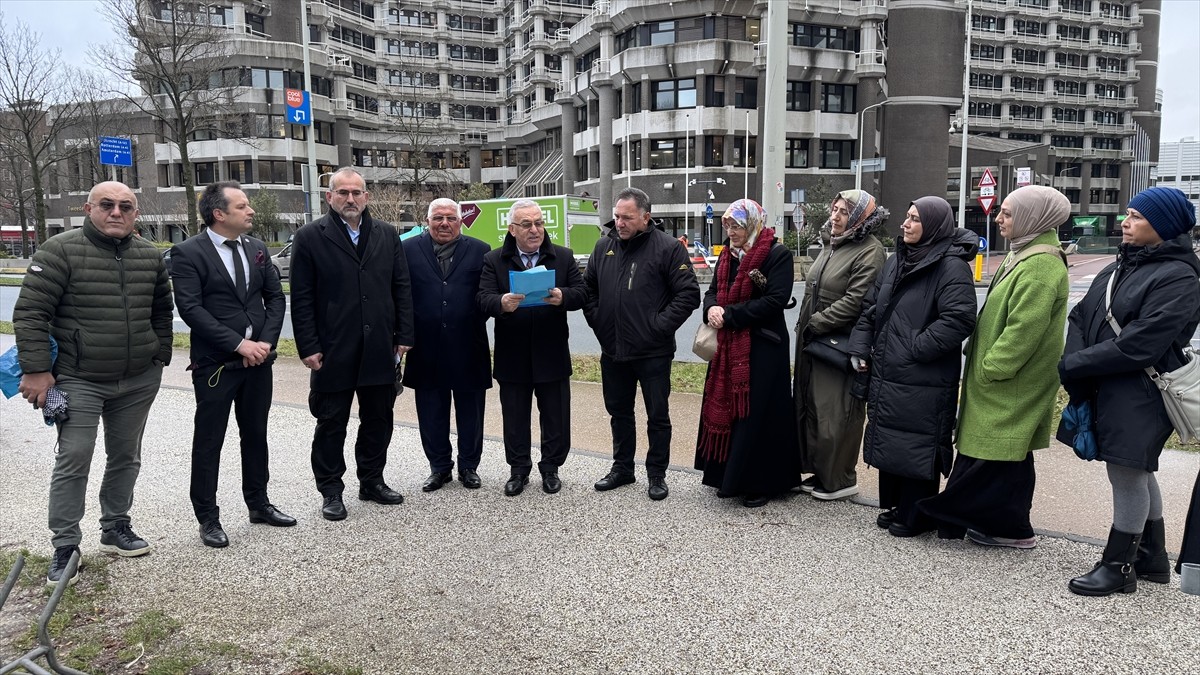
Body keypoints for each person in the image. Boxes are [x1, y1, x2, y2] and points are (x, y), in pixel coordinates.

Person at [14, 181, 173, 585]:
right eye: (107, 205)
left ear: (136, 214)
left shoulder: (149, 257)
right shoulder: (59, 250)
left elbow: (161, 310)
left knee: (126, 456)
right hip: (77, 378)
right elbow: (31, 313)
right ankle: (65, 544)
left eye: (126, 206)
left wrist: (160, 354)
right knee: (75, 457)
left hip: (137, 379)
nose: (116, 212)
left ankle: (115, 527)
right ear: (89, 208)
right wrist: (36, 371)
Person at [1057, 186, 1200, 596]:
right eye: (1128, 213)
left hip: (1144, 389)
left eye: (1137, 217)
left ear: (1164, 226)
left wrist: (1076, 363)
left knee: (1126, 470)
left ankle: (1118, 566)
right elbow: (1081, 316)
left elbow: (1142, 344)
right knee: (1136, 467)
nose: (1125, 221)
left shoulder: (1180, 276)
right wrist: (1077, 357)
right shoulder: (1121, 265)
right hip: (1110, 384)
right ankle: (1152, 557)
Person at [918, 185, 1071, 548]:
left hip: (1010, 381)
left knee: (995, 452)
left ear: (1033, 217)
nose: (999, 218)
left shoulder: (1040, 265)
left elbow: (1024, 328)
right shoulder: (1027, 254)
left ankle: (1000, 527)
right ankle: (1004, 526)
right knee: (1006, 456)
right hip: (1004, 379)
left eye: (1008, 213)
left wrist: (992, 366)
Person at [170, 181, 294, 548]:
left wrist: (265, 343)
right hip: (216, 365)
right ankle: (207, 517)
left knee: (255, 434)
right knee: (210, 441)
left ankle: (259, 504)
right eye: (242, 206)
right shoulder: (188, 253)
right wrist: (239, 344)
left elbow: (275, 298)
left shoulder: (257, 249)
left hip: (258, 362)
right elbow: (191, 309)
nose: (251, 210)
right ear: (219, 213)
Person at [847, 197, 978, 536]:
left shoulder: (951, 265)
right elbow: (872, 307)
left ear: (933, 225)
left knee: (917, 442)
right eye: (906, 217)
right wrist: (861, 346)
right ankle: (894, 507)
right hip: (889, 369)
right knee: (892, 439)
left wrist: (915, 348)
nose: (905, 224)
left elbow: (959, 318)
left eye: (915, 219)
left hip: (924, 374)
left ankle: (915, 515)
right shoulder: (898, 260)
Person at [290, 168, 415, 521]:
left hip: (380, 346)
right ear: (329, 197)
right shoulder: (311, 236)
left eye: (356, 192)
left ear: (366, 197)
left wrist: (404, 335)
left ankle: (372, 480)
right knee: (331, 422)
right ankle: (331, 489)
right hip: (332, 348)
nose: (350, 198)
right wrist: (308, 346)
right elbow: (301, 298)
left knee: (379, 418)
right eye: (342, 192)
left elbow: (401, 286)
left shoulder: (388, 235)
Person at [583, 187, 701, 500]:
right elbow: (588, 290)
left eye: (627, 217)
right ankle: (623, 468)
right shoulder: (602, 247)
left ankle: (657, 474)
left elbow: (688, 294)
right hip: (613, 351)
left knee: (657, 416)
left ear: (645, 217)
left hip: (653, 352)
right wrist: (599, 322)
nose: (618, 223)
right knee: (619, 413)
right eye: (616, 216)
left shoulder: (668, 248)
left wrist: (657, 327)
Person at [694, 200, 801, 507]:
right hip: (730, 347)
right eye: (727, 225)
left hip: (764, 348)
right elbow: (712, 291)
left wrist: (729, 316)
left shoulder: (776, 254)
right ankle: (726, 474)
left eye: (737, 226)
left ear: (753, 224)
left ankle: (761, 482)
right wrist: (712, 308)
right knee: (730, 409)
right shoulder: (727, 256)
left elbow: (775, 300)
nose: (731, 232)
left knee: (758, 415)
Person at [478, 199, 588, 495]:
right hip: (512, 354)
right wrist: (501, 302)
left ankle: (551, 469)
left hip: (551, 351)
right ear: (512, 229)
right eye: (526, 224)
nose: (535, 229)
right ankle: (518, 470)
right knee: (514, 417)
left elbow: (581, 294)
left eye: (539, 223)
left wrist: (563, 296)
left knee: (555, 416)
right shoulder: (494, 260)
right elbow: (482, 298)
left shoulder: (562, 257)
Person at [793, 189, 887, 501]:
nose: (835, 216)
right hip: (813, 338)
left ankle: (840, 478)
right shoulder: (832, 245)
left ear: (860, 218)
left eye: (843, 212)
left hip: (837, 340)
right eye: (834, 209)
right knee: (813, 405)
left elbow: (856, 300)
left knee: (837, 410)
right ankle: (820, 471)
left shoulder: (868, 251)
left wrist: (816, 323)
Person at [402, 198, 492, 492]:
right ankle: (439, 467)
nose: (444, 223)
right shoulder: (407, 250)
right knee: (430, 412)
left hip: (469, 345)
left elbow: (488, 295)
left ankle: (469, 466)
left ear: (460, 221)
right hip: (425, 347)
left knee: (471, 411)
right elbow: (400, 295)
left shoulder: (480, 251)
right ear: (427, 221)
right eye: (437, 218)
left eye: (451, 218)